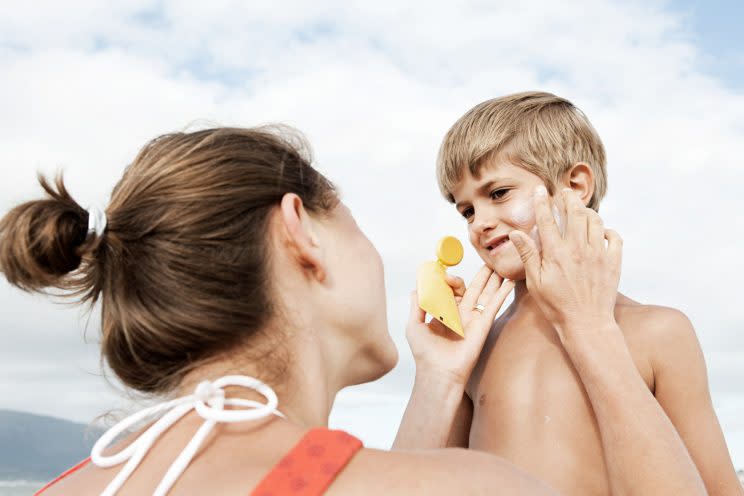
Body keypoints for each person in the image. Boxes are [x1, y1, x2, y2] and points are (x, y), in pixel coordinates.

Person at [0, 125, 699, 495]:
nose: (474, 225)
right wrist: (588, 329)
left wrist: (437, 379)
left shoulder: (73, 486)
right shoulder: (472, 488)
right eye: (356, 225)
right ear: (301, 233)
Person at [419, 91, 741, 495]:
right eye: (466, 210)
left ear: (575, 185)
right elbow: (437, 479)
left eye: (498, 193)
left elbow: (719, 488)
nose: (479, 222)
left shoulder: (658, 332)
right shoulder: (475, 348)